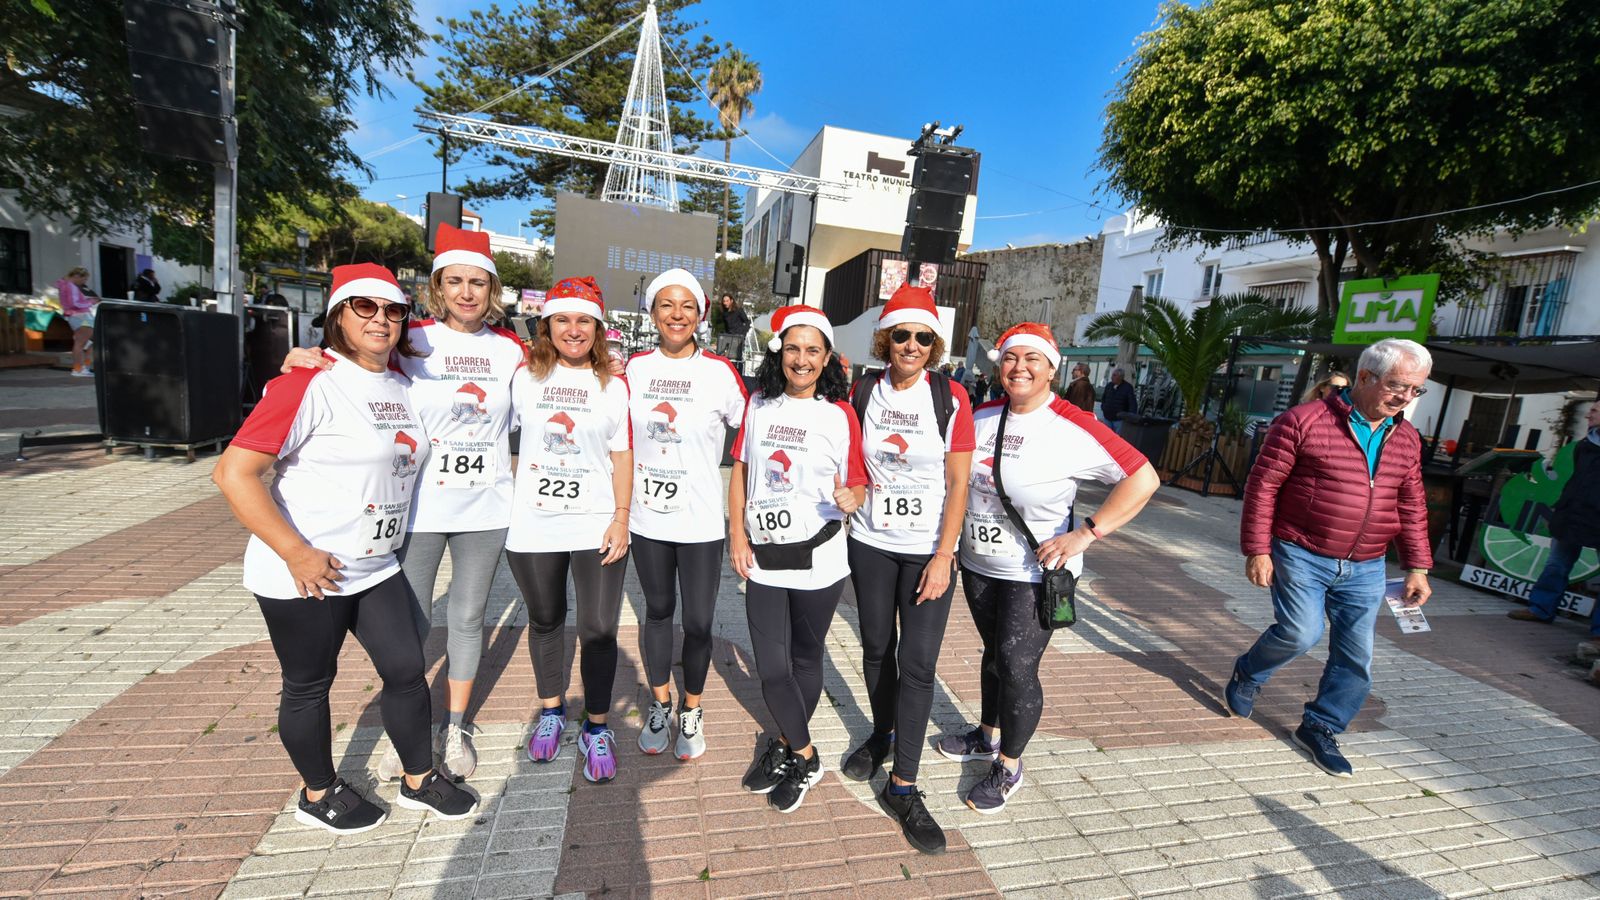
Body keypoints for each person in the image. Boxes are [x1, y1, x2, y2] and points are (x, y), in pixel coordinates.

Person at [213, 263, 478, 834]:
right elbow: (234, 475)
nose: (381, 319)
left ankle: (418, 780)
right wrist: (294, 552)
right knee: (309, 683)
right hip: (309, 570)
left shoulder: (406, 385)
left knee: (407, 668)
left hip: (375, 566)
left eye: (393, 310)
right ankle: (318, 792)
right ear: (338, 315)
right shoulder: (307, 382)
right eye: (365, 307)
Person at [280, 224, 526, 782]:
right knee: (412, 624)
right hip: (416, 509)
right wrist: (304, 357)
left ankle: (457, 724)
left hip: (487, 506)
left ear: (493, 291)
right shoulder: (408, 338)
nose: (467, 293)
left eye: (479, 283)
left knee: (467, 618)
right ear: (438, 287)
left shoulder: (510, 349)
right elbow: (351, 366)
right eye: (456, 281)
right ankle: (408, 729)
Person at [934, 323, 1157, 814]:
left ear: (1052, 369)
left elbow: (1144, 476)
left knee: (1016, 664)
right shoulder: (983, 414)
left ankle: (1009, 766)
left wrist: (1087, 533)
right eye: (1011, 358)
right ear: (1000, 365)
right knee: (993, 653)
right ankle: (987, 736)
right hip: (979, 562)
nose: (1020, 368)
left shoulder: (1072, 424)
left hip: (1036, 570)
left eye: (1033, 360)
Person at [1230, 338, 1434, 777]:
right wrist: (1258, 549)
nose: (1405, 398)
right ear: (1365, 377)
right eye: (1398, 385)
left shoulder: (1408, 438)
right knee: (1301, 633)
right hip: (1301, 550)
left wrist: (1418, 565)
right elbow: (1263, 486)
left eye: (1416, 390)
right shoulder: (1303, 421)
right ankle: (1249, 672)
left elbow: (1412, 503)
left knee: (1356, 656)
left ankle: (1321, 726)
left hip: (1367, 564)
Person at [840, 285, 973, 854]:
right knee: (874, 649)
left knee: (916, 665)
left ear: (934, 343)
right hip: (869, 542)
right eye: (902, 335)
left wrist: (944, 556)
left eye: (923, 336)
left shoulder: (951, 396)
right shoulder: (864, 389)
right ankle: (883, 732)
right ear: (885, 339)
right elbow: (850, 457)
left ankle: (904, 784)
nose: (911, 345)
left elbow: (960, 482)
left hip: (926, 552)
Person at [730, 304, 866, 814]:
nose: (802, 359)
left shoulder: (840, 413)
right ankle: (807, 755)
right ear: (779, 352)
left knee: (806, 660)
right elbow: (741, 472)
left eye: (813, 350)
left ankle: (788, 747)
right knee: (770, 667)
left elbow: (858, 478)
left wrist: (855, 495)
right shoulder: (759, 405)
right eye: (793, 348)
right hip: (764, 556)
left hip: (821, 559)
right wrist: (736, 536)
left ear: (827, 356)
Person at [509, 276, 633, 784]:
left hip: (596, 523)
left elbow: (622, 454)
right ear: (547, 325)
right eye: (563, 319)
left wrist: (622, 518)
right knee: (545, 620)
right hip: (535, 524)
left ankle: (596, 725)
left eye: (584, 320)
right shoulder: (522, 378)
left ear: (599, 328)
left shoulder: (613, 384)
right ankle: (553, 712)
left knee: (599, 629)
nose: (574, 329)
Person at [626, 269, 748, 761]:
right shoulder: (632, 369)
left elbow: (756, 433)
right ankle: (660, 705)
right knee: (657, 613)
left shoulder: (719, 373)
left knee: (698, 623)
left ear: (700, 314)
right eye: (666, 306)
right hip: (647, 519)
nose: (677, 315)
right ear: (653, 313)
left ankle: (692, 710)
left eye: (687, 307)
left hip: (699, 522)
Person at [1507, 400, 1600, 656]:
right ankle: (1541, 608)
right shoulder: (1585, 444)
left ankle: (1599, 633)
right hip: (1572, 513)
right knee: (1556, 564)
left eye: (1595, 410)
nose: (1589, 414)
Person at [56, 267, 96, 377]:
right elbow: (75, 303)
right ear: (77, 276)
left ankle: (83, 367)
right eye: (84, 280)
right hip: (81, 316)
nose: (84, 283)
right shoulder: (71, 287)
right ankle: (79, 369)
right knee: (81, 343)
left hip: (75, 316)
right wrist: (90, 302)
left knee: (89, 343)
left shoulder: (64, 285)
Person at [716, 293, 751, 368]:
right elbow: (726, 327)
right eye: (724, 301)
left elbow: (747, 322)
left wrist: (743, 334)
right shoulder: (724, 313)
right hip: (728, 338)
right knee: (725, 358)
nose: (725, 303)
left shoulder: (739, 310)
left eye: (727, 301)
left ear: (731, 301)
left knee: (736, 359)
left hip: (738, 338)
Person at [1099, 367, 1136, 432]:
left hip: (1119, 420)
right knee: (1106, 435)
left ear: (1121, 377)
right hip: (1107, 417)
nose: (1112, 377)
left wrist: (1130, 416)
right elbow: (1104, 398)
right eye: (1112, 375)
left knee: (1117, 437)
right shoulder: (1109, 385)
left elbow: (1132, 402)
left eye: (1114, 375)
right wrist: (1103, 407)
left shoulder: (1128, 387)